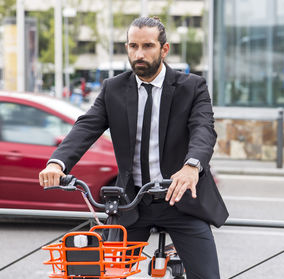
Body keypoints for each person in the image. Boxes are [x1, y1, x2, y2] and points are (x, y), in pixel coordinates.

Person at [39, 16, 228, 278]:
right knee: (102, 273)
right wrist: (56, 163)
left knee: (207, 276)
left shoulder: (192, 87)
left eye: (148, 46)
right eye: (132, 46)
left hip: (181, 201)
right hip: (132, 203)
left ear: (164, 49)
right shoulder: (113, 89)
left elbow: (203, 130)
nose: (139, 54)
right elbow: (86, 127)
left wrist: (191, 166)